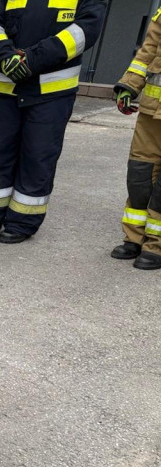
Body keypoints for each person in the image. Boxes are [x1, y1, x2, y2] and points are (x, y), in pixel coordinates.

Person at [0, 0, 106, 244]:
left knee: (37, 156)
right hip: (6, 89)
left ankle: (22, 222)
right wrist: (4, 55)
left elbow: (84, 31)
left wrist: (32, 59)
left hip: (51, 93)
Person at [111, 7, 161, 271]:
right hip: (152, 111)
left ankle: (156, 245)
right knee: (139, 174)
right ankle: (135, 237)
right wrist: (129, 85)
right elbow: (148, 50)